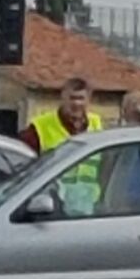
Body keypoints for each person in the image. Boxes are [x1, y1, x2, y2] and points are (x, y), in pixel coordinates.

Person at [20, 78, 103, 216]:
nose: (76, 104)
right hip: (51, 206)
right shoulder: (40, 127)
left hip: (89, 207)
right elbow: (22, 165)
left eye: (81, 98)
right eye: (72, 98)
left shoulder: (97, 124)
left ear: (89, 100)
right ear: (62, 97)